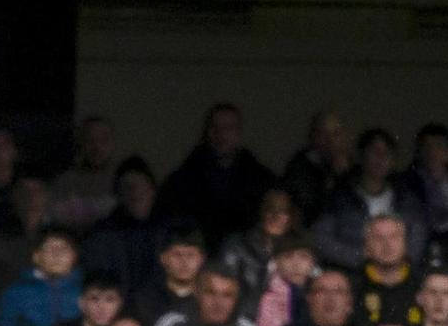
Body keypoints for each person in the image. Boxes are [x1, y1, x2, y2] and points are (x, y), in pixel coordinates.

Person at [156, 102, 274, 248]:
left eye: (229, 128)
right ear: (207, 132)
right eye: (215, 127)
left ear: (239, 132)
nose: (221, 134)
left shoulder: (261, 179)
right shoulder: (183, 179)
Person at [312, 128, 429, 273]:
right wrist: (363, 258)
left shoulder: (407, 199)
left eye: (387, 153)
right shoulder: (339, 199)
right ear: (361, 156)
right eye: (374, 152)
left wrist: (394, 262)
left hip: (398, 275)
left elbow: (417, 238)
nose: (381, 157)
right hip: (352, 276)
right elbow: (323, 240)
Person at [81, 158, 165, 296]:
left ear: (152, 191)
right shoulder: (101, 236)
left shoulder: (168, 234)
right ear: (118, 195)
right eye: (128, 187)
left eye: (141, 186)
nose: (135, 192)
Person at [0, 229, 83, 326]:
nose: (57, 254)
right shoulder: (16, 293)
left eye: (63, 249)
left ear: (74, 256)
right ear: (36, 256)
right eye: (49, 249)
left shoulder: (86, 292)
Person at [48, 116, 121, 234]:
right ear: (81, 143)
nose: (97, 147)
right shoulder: (65, 182)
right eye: (90, 140)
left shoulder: (124, 180)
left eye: (103, 140)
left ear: (112, 143)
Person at [129, 223, 207, 326]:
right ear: (163, 258)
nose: (184, 262)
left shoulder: (209, 300)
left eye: (191, 255)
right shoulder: (144, 301)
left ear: (201, 259)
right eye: (177, 255)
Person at [280, 110, 350, 228]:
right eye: (323, 134)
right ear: (312, 136)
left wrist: (345, 175)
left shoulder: (353, 167)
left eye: (335, 134)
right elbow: (306, 208)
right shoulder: (298, 167)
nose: (330, 140)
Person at [354, 214, 423, 326]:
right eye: (378, 238)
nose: (387, 244)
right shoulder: (353, 286)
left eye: (394, 237)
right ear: (366, 247)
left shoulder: (423, 283)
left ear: (405, 243)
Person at [394, 122, 448, 238]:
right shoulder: (404, 183)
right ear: (418, 152)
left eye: (439, 146)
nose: (433, 152)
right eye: (427, 146)